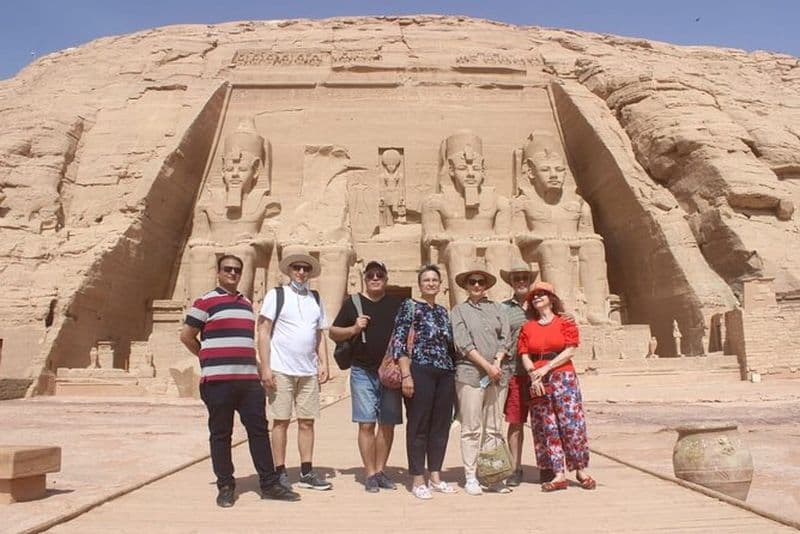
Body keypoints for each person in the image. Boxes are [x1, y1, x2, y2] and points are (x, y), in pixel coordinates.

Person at [180, 254, 300, 507]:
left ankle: (269, 484)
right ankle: (225, 485)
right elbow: (187, 336)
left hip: (248, 381)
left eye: (237, 270)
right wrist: (206, 355)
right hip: (218, 380)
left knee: (258, 431)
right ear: (219, 272)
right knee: (221, 434)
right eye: (228, 269)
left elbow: (247, 342)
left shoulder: (246, 304)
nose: (233, 273)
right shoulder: (205, 302)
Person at [257, 251, 332, 491]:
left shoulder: (315, 298)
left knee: (307, 422)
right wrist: (265, 366)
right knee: (280, 421)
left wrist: (324, 363)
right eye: (297, 268)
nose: (301, 272)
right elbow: (264, 331)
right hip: (280, 367)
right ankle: (279, 471)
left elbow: (319, 333)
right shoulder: (277, 295)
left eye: (305, 269)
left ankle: (307, 471)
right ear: (289, 270)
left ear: (310, 273)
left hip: (307, 369)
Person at [329, 260, 404, 493]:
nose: (374, 278)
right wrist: (354, 328)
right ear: (364, 278)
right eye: (370, 275)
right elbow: (333, 332)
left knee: (388, 424)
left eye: (379, 274)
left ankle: (380, 470)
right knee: (366, 423)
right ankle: (370, 473)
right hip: (362, 370)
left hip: (390, 371)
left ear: (385, 278)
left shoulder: (397, 304)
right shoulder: (353, 303)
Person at [518, 281, 596, 491]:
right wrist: (534, 374)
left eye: (541, 294)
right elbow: (525, 354)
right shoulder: (528, 327)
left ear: (551, 299)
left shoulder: (565, 323)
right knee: (547, 425)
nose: (537, 298)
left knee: (571, 423)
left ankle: (580, 470)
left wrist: (547, 368)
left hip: (563, 376)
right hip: (538, 379)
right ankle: (558, 473)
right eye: (533, 296)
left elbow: (570, 350)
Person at [391, 264, 457, 500]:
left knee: (441, 425)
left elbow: (449, 346)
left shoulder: (442, 312)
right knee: (418, 424)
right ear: (420, 284)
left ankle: (435, 475)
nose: (430, 283)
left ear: (440, 285)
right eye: (426, 280)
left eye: (434, 280)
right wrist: (406, 374)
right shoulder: (409, 306)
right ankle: (418, 478)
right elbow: (399, 342)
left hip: (445, 371)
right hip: (419, 369)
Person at [450, 265, 513, 495]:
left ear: (486, 285)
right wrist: (487, 366)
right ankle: (471, 475)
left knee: (495, 427)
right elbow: (463, 342)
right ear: (466, 285)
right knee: (471, 427)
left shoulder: (498, 309)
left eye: (480, 282)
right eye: (472, 282)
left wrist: (496, 363)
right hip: (470, 373)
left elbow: (505, 338)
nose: (476, 285)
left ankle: (492, 475)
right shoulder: (459, 311)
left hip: (497, 374)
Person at [498, 262, 555, 487]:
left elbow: (558, 321)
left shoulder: (539, 305)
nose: (521, 280)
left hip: (541, 371)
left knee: (544, 422)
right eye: (516, 277)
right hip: (514, 371)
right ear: (511, 282)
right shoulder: (503, 309)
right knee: (515, 422)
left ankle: (546, 466)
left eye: (524, 277)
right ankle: (515, 468)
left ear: (529, 280)